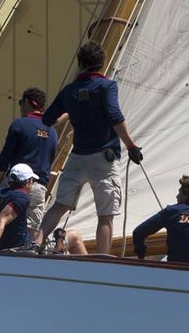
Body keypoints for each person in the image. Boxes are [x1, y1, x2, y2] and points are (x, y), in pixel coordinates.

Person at [38, 42, 143, 256]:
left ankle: (34, 245)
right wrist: (131, 146)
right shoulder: (106, 86)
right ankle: (102, 259)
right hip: (103, 159)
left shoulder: (69, 91)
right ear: (101, 64)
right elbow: (114, 116)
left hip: (77, 157)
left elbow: (48, 120)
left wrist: (72, 110)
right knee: (105, 215)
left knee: (60, 205)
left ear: (80, 63)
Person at [0, 87, 58, 238]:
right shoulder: (52, 132)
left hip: (16, 185)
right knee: (31, 234)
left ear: (28, 102)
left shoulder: (19, 124)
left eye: (20, 103)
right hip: (39, 188)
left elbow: (5, 157)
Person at [132, 175, 189, 265]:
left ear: (187, 195)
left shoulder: (171, 211)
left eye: (180, 193)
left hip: (173, 268)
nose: (177, 196)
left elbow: (138, 232)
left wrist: (141, 255)